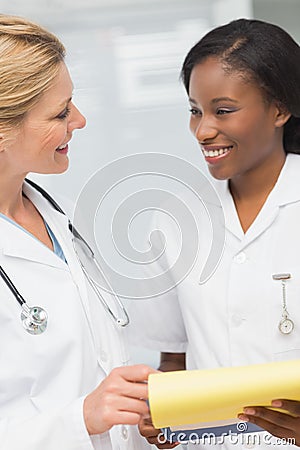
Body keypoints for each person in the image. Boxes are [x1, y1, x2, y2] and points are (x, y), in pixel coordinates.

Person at [130, 18, 300, 449]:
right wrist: (161, 421)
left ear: (280, 109)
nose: (203, 130)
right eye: (195, 110)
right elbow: (173, 359)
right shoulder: (175, 218)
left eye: (223, 110)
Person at [0, 14, 156, 450]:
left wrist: (139, 418)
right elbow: (80, 410)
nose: (81, 119)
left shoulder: (53, 216)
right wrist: (81, 419)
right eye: (60, 112)